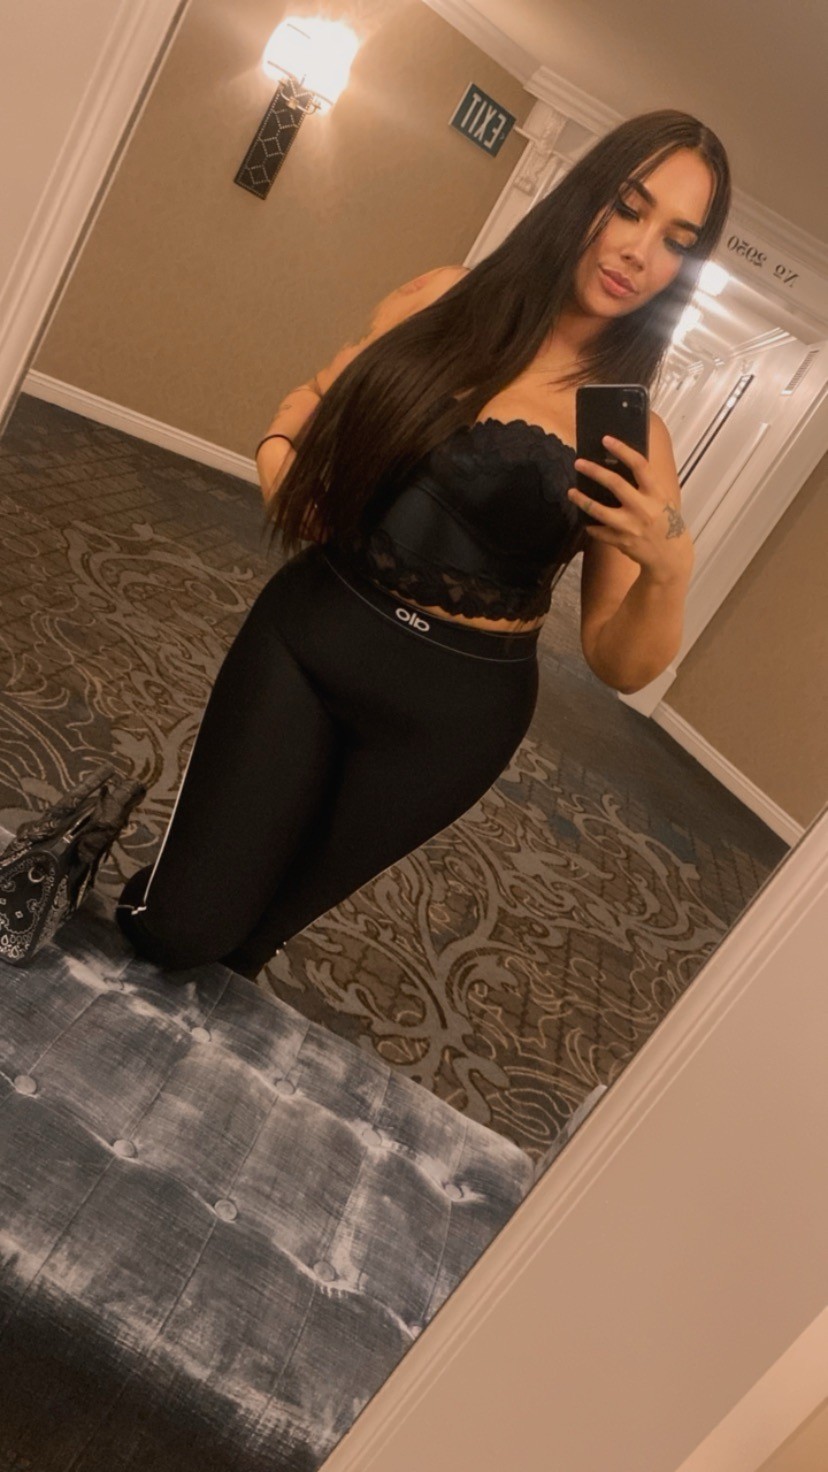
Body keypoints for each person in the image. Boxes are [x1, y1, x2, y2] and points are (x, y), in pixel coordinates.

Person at [115, 108, 731, 981]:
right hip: (314, 633)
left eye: (676, 240)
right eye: (628, 207)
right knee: (184, 927)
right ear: (585, 195)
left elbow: (616, 660)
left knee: (247, 947)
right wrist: (280, 462)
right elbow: (312, 399)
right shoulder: (442, 300)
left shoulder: (630, 435)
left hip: (451, 720)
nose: (639, 251)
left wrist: (670, 570)